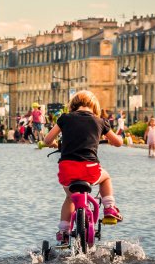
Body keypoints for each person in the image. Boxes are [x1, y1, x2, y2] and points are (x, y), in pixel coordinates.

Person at [41, 90, 124, 244]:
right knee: (106, 177)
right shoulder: (100, 122)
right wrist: (116, 139)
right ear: (94, 106)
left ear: (73, 105)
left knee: (69, 197)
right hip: (90, 170)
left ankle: (63, 232)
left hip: (67, 172)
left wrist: (52, 143)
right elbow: (118, 142)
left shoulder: (65, 118)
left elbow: (47, 140)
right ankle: (109, 208)